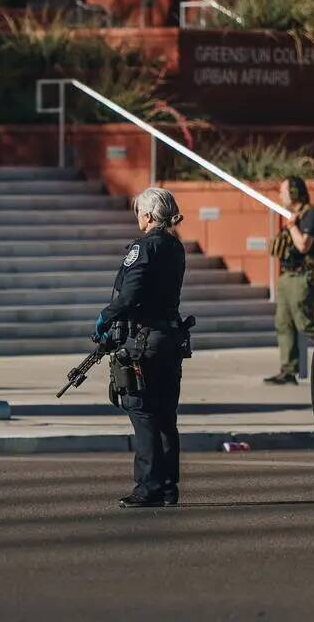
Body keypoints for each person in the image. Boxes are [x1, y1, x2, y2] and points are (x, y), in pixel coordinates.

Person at [93, 187, 188, 509]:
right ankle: (168, 487)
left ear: (148, 215)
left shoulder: (144, 247)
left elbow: (130, 294)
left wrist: (106, 317)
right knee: (165, 416)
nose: (137, 218)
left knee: (143, 413)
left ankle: (148, 488)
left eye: (138, 212)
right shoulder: (175, 246)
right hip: (170, 339)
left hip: (144, 341)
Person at [265, 176, 314, 386]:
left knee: (305, 323)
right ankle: (288, 370)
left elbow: (304, 245)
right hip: (289, 276)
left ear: (294, 192)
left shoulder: (311, 214)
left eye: (283, 190)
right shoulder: (297, 215)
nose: (280, 195)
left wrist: (292, 226)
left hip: (305, 277)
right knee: (283, 323)